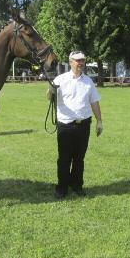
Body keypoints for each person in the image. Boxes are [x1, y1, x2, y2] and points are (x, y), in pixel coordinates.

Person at [47, 50, 103, 198]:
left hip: (84, 125)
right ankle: (62, 188)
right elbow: (49, 97)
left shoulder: (88, 81)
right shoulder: (60, 79)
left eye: (82, 60)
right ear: (70, 62)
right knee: (64, 159)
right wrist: (50, 90)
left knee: (79, 159)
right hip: (65, 125)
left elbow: (94, 102)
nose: (80, 63)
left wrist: (99, 121)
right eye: (77, 60)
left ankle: (77, 185)